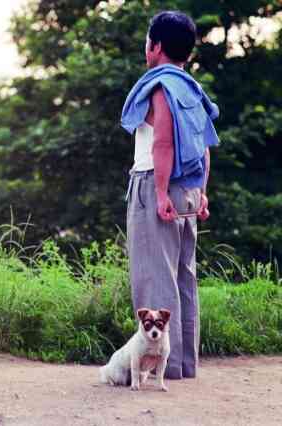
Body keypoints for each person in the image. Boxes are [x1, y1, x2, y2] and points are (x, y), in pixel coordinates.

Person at [120, 11, 220, 380]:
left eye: (148, 41)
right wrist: (202, 193)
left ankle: (162, 369)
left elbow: (162, 140)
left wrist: (161, 192)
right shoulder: (192, 89)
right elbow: (205, 147)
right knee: (183, 277)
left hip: (156, 184)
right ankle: (182, 364)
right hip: (190, 190)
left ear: (156, 46)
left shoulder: (160, 86)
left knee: (154, 277)